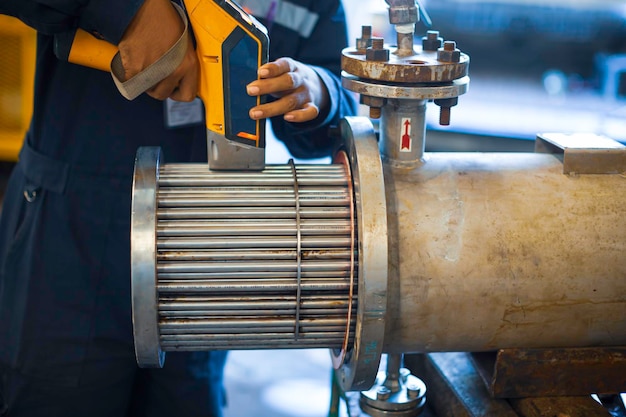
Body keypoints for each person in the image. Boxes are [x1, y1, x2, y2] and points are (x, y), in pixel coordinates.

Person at [0, 0, 357, 415]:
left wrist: (318, 91)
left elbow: (337, 96)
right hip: (69, 238)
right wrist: (130, 11)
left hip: (201, 263)